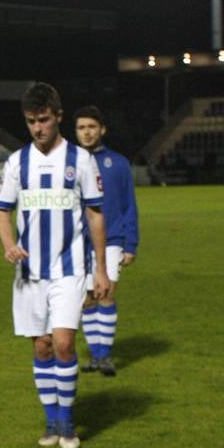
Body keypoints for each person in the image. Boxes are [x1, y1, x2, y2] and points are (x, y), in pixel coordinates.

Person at [0, 83, 109, 448]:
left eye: (43, 120)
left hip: (70, 269)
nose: (37, 128)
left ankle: (67, 421)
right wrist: (9, 245)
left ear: (58, 116)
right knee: (41, 347)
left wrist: (101, 271)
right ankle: (50, 419)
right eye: (31, 122)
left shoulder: (81, 161)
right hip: (30, 274)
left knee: (62, 342)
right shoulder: (17, 162)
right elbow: (2, 211)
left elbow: (94, 215)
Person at [73, 106, 140, 376]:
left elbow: (128, 205)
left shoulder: (118, 163)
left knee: (107, 293)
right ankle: (97, 355)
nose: (87, 132)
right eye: (81, 127)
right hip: (79, 242)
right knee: (88, 299)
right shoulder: (70, 163)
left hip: (111, 239)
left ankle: (105, 355)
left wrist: (130, 243)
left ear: (102, 130)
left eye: (91, 127)